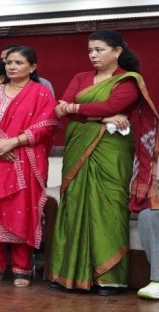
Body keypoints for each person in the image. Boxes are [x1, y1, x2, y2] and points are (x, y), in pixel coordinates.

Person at [49, 30, 159, 296]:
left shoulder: (129, 80)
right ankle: (68, 276)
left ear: (117, 51)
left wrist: (76, 110)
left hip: (112, 151)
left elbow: (108, 106)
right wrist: (102, 118)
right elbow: (59, 108)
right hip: (78, 148)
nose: (93, 55)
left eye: (99, 50)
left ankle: (109, 278)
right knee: (75, 205)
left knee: (108, 207)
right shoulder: (81, 77)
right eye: (90, 50)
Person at [0, 46, 58, 287]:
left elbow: (47, 125)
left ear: (32, 68)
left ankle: (22, 267)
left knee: (22, 210)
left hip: (25, 161)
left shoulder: (41, 93)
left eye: (19, 63)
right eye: (9, 62)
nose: (12, 67)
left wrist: (13, 142)